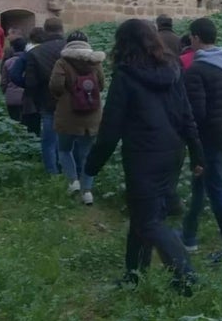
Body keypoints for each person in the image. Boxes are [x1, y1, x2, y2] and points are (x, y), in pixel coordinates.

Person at [84, 19, 204, 295]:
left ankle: (186, 276)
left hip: (143, 155)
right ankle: (134, 274)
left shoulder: (126, 76)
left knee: (150, 221)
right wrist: (196, 151)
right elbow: (186, 115)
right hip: (172, 151)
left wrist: (92, 164)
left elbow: (111, 126)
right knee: (143, 216)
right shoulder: (172, 68)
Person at [181, 18, 222, 264]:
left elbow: (196, 113)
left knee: (216, 191)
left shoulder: (196, 70)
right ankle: (189, 236)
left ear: (195, 38)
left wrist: (192, 144)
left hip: (207, 139)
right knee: (200, 185)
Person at [49, 31, 106, 205]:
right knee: (87, 153)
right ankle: (87, 191)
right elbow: (102, 85)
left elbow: (56, 84)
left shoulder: (62, 62)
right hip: (92, 114)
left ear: (68, 43)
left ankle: (73, 181)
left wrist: (62, 96)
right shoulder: (95, 62)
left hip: (68, 114)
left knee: (64, 149)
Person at [25, 17, 68, 174]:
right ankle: (71, 171)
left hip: (47, 101)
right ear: (61, 29)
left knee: (48, 140)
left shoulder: (35, 53)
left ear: (45, 30)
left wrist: (35, 101)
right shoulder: (72, 49)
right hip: (71, 102)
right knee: (71, 139)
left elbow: (30, 83)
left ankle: (52, 173)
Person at [1, 37, 28, 122]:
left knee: (14, 121)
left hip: (11, 96)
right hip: (26, 97)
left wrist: (5, 92)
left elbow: (4, 82)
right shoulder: (30, 61)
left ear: (13, 48)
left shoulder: (8, 62)